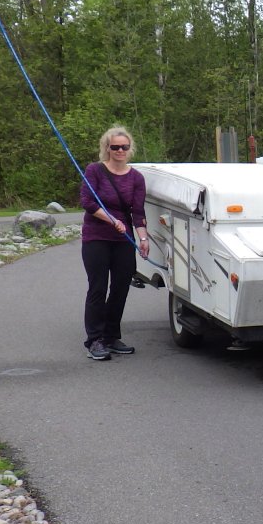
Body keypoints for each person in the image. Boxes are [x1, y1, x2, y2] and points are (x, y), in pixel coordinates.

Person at [79, 126, 149, 361]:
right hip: (96, 237)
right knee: (98, 288)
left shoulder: (136, 178)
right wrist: (111, 220)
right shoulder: (95, 171)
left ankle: (111, 336)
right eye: (115, 147)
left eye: (124, 147)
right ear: (107, 148)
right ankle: (95, 340)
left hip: (123, 240)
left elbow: (138, 212)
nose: (120, 150)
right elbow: (87, 201)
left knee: (120, 288)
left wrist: (143, 238)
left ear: (130, 149)